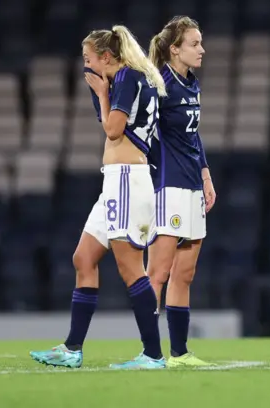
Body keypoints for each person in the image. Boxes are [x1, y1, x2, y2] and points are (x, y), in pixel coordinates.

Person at [30, 25, 167, 370]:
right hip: (115, 184)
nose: (86, 65)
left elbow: (113, 129)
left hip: (126, 181)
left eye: (89, 58)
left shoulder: (126, 78)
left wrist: (103, 94)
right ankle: (73, 348)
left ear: (107, 57)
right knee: (83, 258)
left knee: (130, 268)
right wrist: (101, 93)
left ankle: (153, 354)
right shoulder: (134, 78)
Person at [146, 16, 215, 368]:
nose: (202, 49)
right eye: (194, 43)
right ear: (175, 49)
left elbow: (193, 135)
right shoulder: (159, 85)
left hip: (191, 185)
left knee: (184, 274)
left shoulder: (191, 84)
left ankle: (180, 353)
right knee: (157, 273)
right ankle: (148, 351)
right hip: (168, 186)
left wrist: (205, 174)